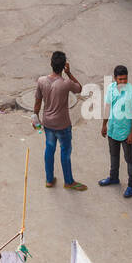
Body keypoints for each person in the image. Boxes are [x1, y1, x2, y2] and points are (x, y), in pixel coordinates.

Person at [33, 51, 86, 190]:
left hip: (48, 123)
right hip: (63, 125)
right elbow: (79, 88)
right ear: (63, 66)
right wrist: (69, 73)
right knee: (65, 151)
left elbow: (38, 102)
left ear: (51, 64)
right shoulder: (66, 83)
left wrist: (35, 117)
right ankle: (68, 181)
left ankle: (49, 180)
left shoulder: (41, 81)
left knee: (49, 149)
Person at [99, 64, 132, 198]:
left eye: (125, 79)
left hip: (126, 132)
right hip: (113, 129)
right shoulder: (110, 88)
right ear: (115, 78)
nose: (122, 82)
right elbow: (108, 106)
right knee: (114, 155)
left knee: (129, 159)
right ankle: (113, 177)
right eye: (120, 79)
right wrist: (104, 125)